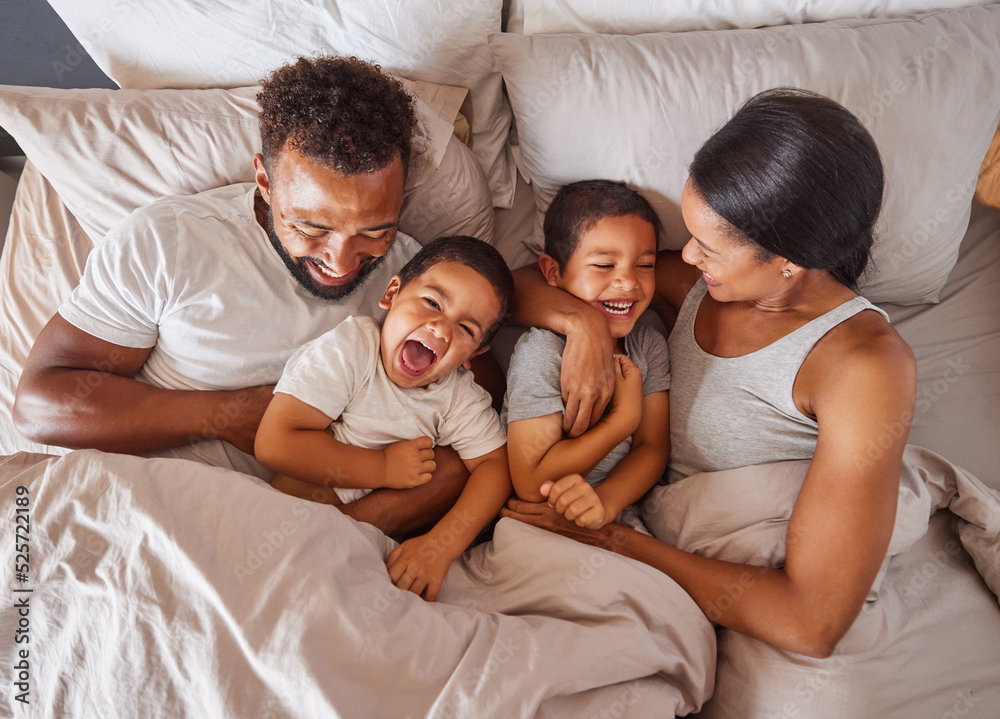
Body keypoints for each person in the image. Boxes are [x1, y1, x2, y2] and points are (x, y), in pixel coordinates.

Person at [502, 88, 917, 659]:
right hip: (652, 560)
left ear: (789, 259)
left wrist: (613, 540)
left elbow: (812, 623)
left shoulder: (865, 367)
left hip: (752, 595)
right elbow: (515, 287)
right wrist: (584, 326)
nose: (688, 256)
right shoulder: (694, 287)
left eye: (709, 247)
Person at [12, 55, 476, 538]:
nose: (341, 262)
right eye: (311, 227)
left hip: (303, 539)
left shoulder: (423, 285)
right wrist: (224, 415)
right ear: (265, 182)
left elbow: (476, 435)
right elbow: (41, 403)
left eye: (375, 231)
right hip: (150, 515)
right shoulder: (171, 240)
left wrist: (339, 534)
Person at [255, 235, 514, 600]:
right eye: (431, 302)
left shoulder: (458, 397)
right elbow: (274, 443)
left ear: (476, 351)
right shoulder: (354, 347)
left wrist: (441, 546)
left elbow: (496, 467)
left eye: (466, 329)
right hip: (291, 517)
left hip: (365, 550)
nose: (441, 329)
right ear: (392, 293)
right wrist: (382, 468)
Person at [503, 181, 670, 531]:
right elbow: (531, 483)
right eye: (604, 265)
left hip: (616, 517)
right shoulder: (543, 352)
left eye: (645, 265)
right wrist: (622, 420)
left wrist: (606, 502)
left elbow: (652, 449)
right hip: (539, 524)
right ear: (551, 271)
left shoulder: (648, 345)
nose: (628, 282)